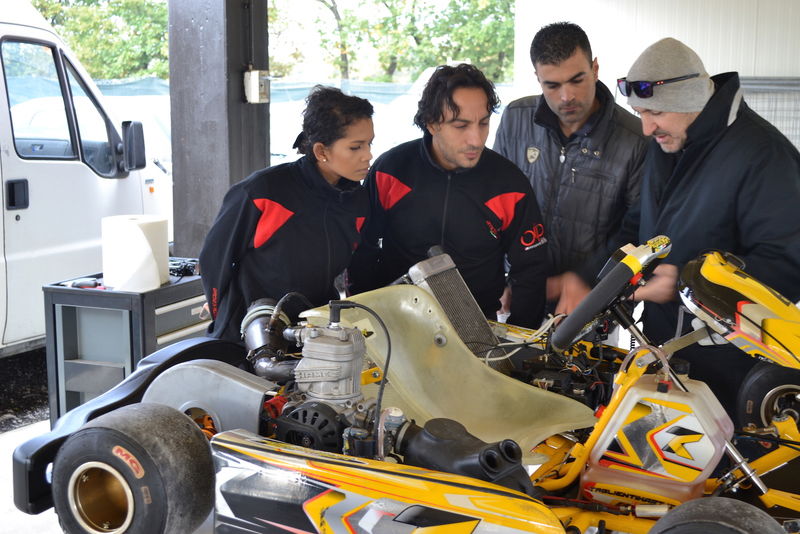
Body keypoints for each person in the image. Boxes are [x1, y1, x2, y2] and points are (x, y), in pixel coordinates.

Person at [566, 38, 800, 411]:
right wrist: (597, 280)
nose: (645, 128)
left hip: (730, 371)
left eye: (653, 113)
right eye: (639, 113)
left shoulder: (764, 156)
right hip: (666, 356)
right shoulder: (670, 142)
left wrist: (689, 285)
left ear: (688, 98)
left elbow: (788, 265)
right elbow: (639, 227)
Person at [349, 64, 547, 328]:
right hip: (397, 324)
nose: (476, 139)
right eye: (460, 125)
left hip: (477, 330)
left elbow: (531, 269)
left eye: (483, 123)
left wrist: (524, 346)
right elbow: (363, 248)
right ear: (432, 123)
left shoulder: (509, 184)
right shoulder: (392, 170)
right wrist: (365, 319)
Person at [200, 86, 374, 342]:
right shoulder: (263, 191)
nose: (368, 156)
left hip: (313, 332)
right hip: (250, 332)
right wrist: (218, 311)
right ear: (321, 151)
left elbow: (358, 265)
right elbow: (214, 258)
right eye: (355, 147)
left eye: (370, 144)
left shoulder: (357, 200)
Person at [494, 22, 647, 311]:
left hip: (589, 303)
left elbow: (638, 231)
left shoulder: (636, 140)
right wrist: (492, 274)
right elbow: (491, 204)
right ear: (538, 78)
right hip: (515, 292)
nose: (567, 96)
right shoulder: (515, 118)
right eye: (552, 85)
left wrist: (585, 279)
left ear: (596, 69)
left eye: (577, 80)